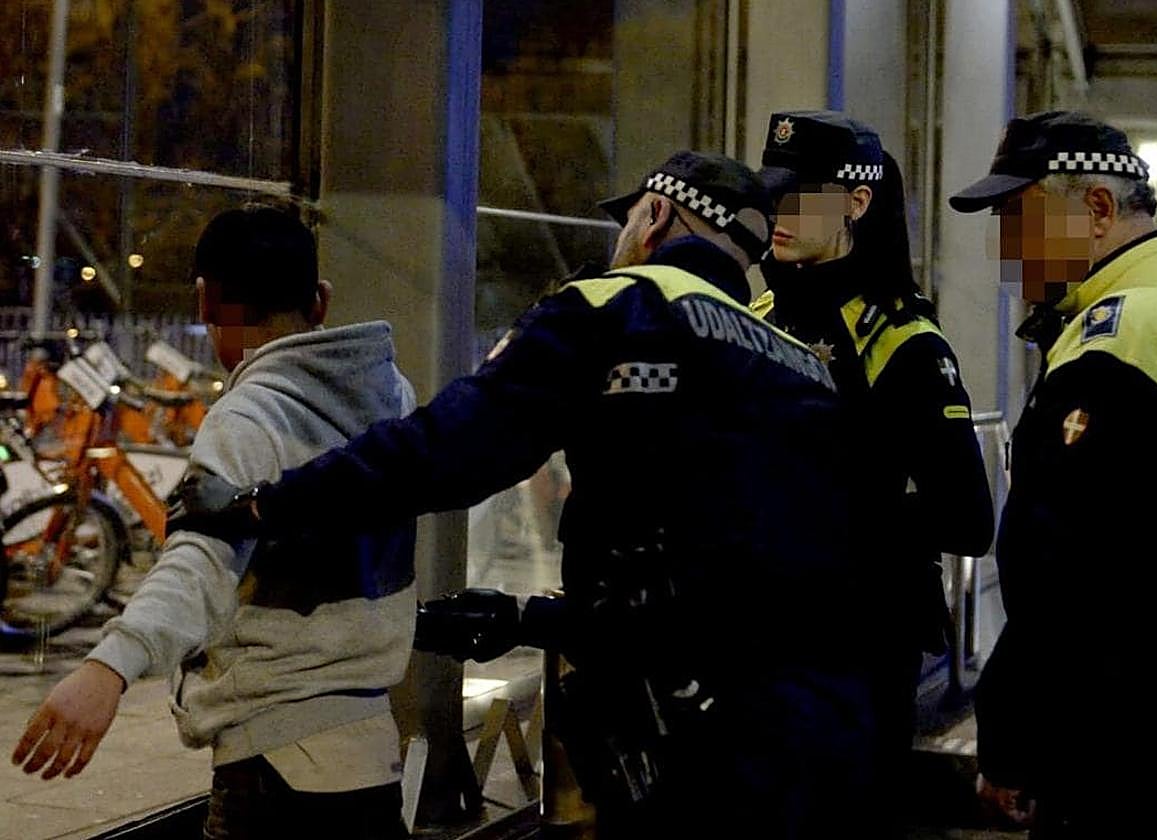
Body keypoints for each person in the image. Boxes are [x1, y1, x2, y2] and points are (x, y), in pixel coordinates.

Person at [168, 151, 877, 838]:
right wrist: (524, 618)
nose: (623, 236)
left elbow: (444, 451)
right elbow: (737, 569)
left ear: (656, 214)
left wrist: (263, 503)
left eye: (629, 218)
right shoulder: (797, 362)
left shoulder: (613, 307)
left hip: (696, 744)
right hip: (828, 723)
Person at [11, 206, 419, 840]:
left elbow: (201, 558)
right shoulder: (392, 396)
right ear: (321, 302)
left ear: (206, 304)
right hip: (368, 750)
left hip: (278, 764)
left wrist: (108, 667)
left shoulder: (249, 419)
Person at [950, 111, 1157, 837]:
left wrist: (1010, 741)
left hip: (1123, 746)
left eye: (1018, 219)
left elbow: (1064, 579)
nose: (1005, 250)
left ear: (1096, 210)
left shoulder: (1116, 342)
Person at [753, 110, 995, 832]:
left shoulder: (904, 341)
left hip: (854, 649)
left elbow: (969, 518)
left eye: (801, 196)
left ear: (857, 202)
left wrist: (831, 514)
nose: (778, 214)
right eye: (773, 193)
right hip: (757, 642)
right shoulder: (751, 313)